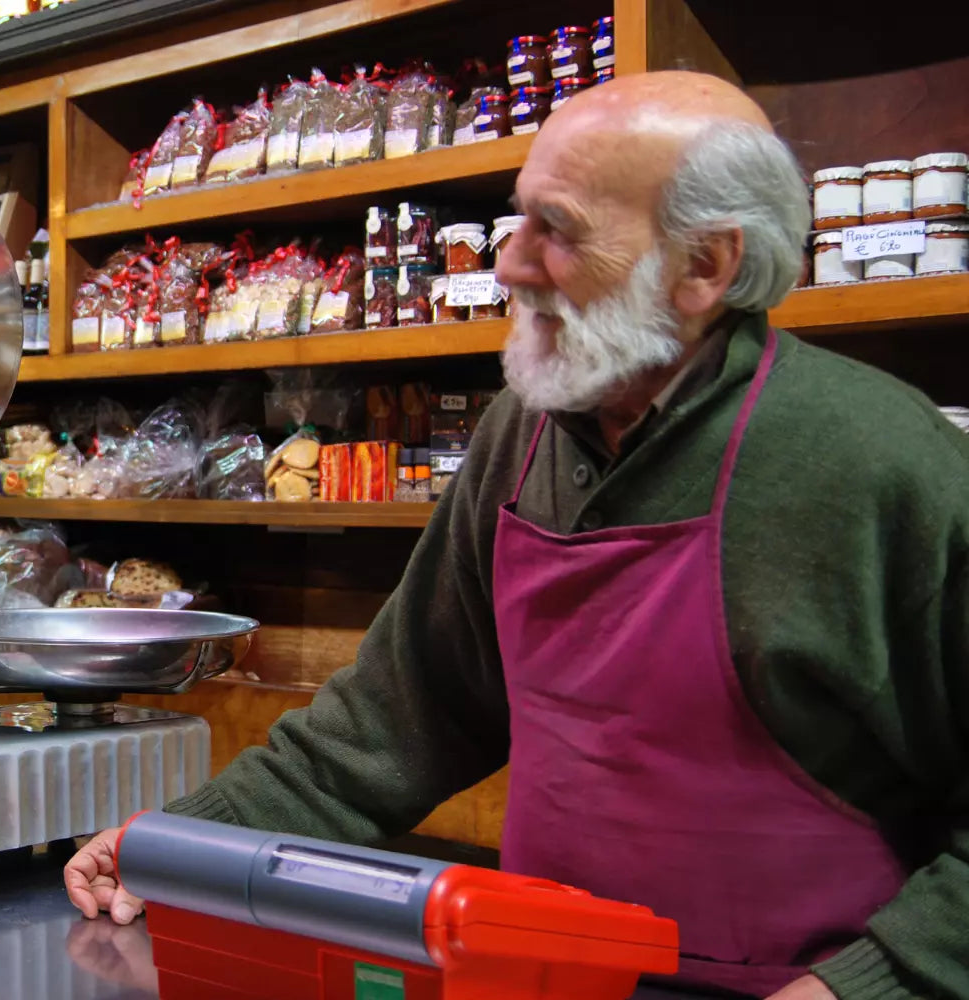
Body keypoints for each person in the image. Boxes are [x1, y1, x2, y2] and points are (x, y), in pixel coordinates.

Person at [65, 70, 969, 1000]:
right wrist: (177, 849)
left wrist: (864, 988)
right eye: (517, 220)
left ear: (707, 266)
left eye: (559, 230)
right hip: (538, 976)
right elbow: (394, 725)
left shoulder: (877, 461)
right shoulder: (522, 431)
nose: (506, 265)